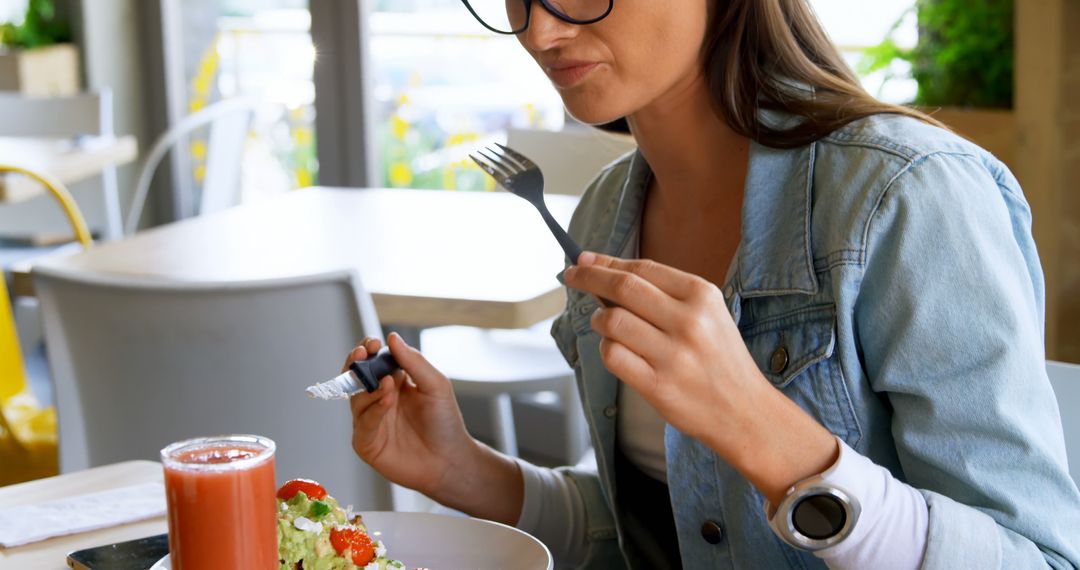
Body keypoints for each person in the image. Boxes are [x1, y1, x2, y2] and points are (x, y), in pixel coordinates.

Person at [345, 0, 1080, 568]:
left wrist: (761, 429)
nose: (539, 31)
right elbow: (664, 534)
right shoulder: (605, 213)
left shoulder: (909, 197)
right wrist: (465, 471)